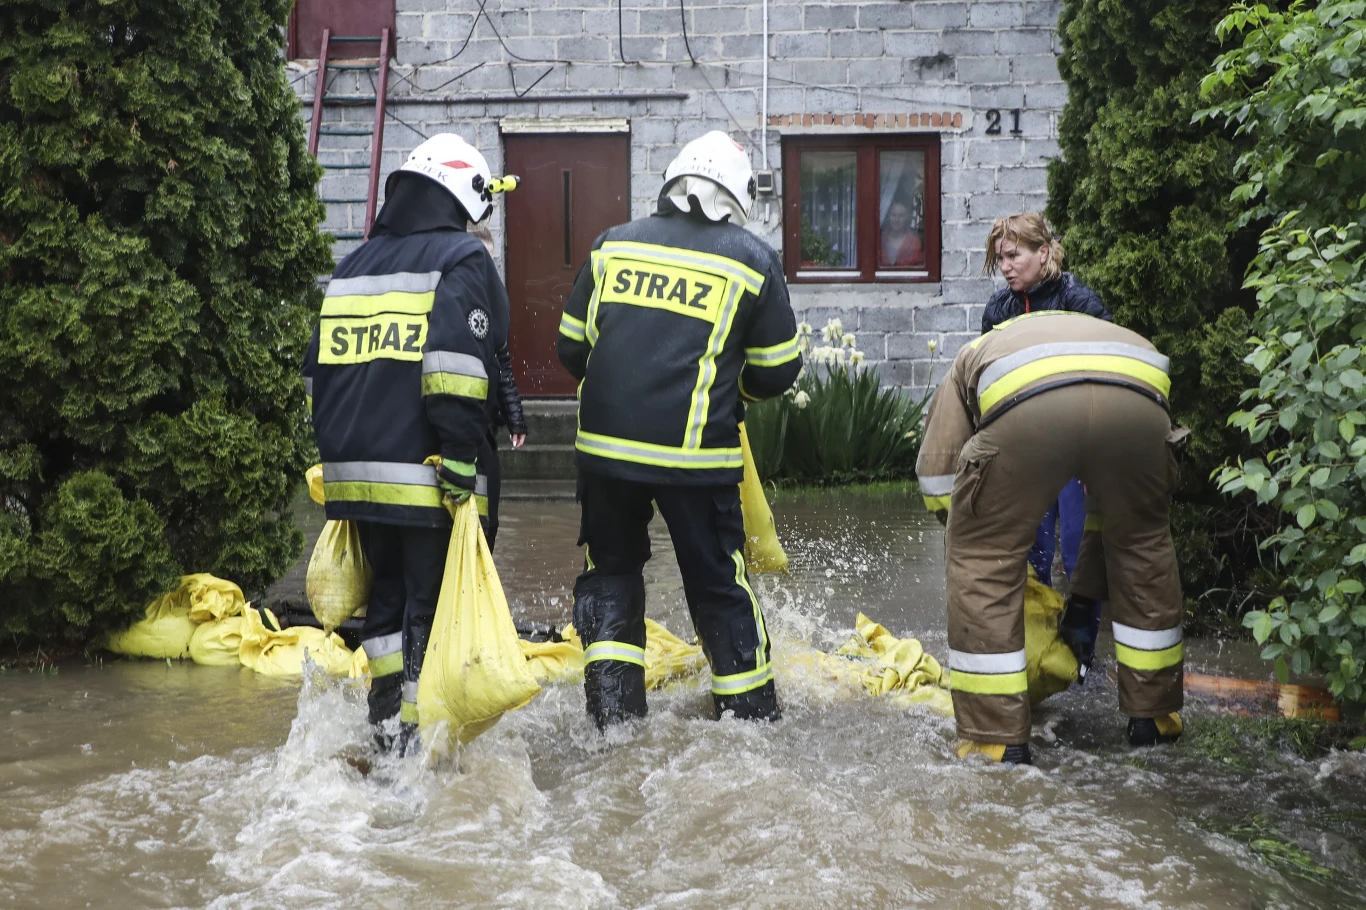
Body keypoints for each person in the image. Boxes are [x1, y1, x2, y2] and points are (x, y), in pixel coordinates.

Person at [556, 130, 802, 729]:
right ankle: (748, 723)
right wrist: (727, 385)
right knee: (718, 582)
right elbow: (777, 372)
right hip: (695, 459)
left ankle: (613, 723)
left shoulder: (612, 245)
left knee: (610, 575)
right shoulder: (751, 259)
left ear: (673, 183)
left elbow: (570, 348)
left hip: (604, 456)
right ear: (736, 198)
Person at [303, 133, 515, 752]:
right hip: (428, 480)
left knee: (388, 606)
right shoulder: (460, 259)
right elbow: (454, 367)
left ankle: (384, 727)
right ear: (459, 196)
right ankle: (420, 754)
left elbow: (321, 377)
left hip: (356, 483)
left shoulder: (353, 265)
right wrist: (459, 456)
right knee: (430, 608)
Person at [916, 311, 1186, 765]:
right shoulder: (1102, 330)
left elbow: (939, 478)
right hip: (1140, 400)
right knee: (1142, 542)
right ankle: (1155, 716)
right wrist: (1083, 598)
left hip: (1034, 411)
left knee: (983, 556)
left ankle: (994, 737)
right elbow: (1112, 513)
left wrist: (975, 532)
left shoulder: (971, 356)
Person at [982, 214, 1111, 598]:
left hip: (1075, 450)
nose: (1005, 267)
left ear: (1043, 252)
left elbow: (1108, 379)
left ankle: (1084, 655)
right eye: (1000, 259)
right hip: (1024, 453)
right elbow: (985, 385)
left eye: (1012, 256)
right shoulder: (998, 310)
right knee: (1031, 558)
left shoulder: (1079, 301)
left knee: (1077, 554)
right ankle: (1041, 653)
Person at [467, 222, 528, 552]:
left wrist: (515, 416)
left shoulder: (493, 304)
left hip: (487, 428)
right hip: (461, 426)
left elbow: (502, 363)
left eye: (491, 262)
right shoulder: (450, 301)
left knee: (490, 517)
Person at [878, 198, 924, 268]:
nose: (896, 219)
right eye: (893, 215)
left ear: (907, 217)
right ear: (888, 216)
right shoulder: (880, 239)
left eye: (901, 216)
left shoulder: (914, 242)